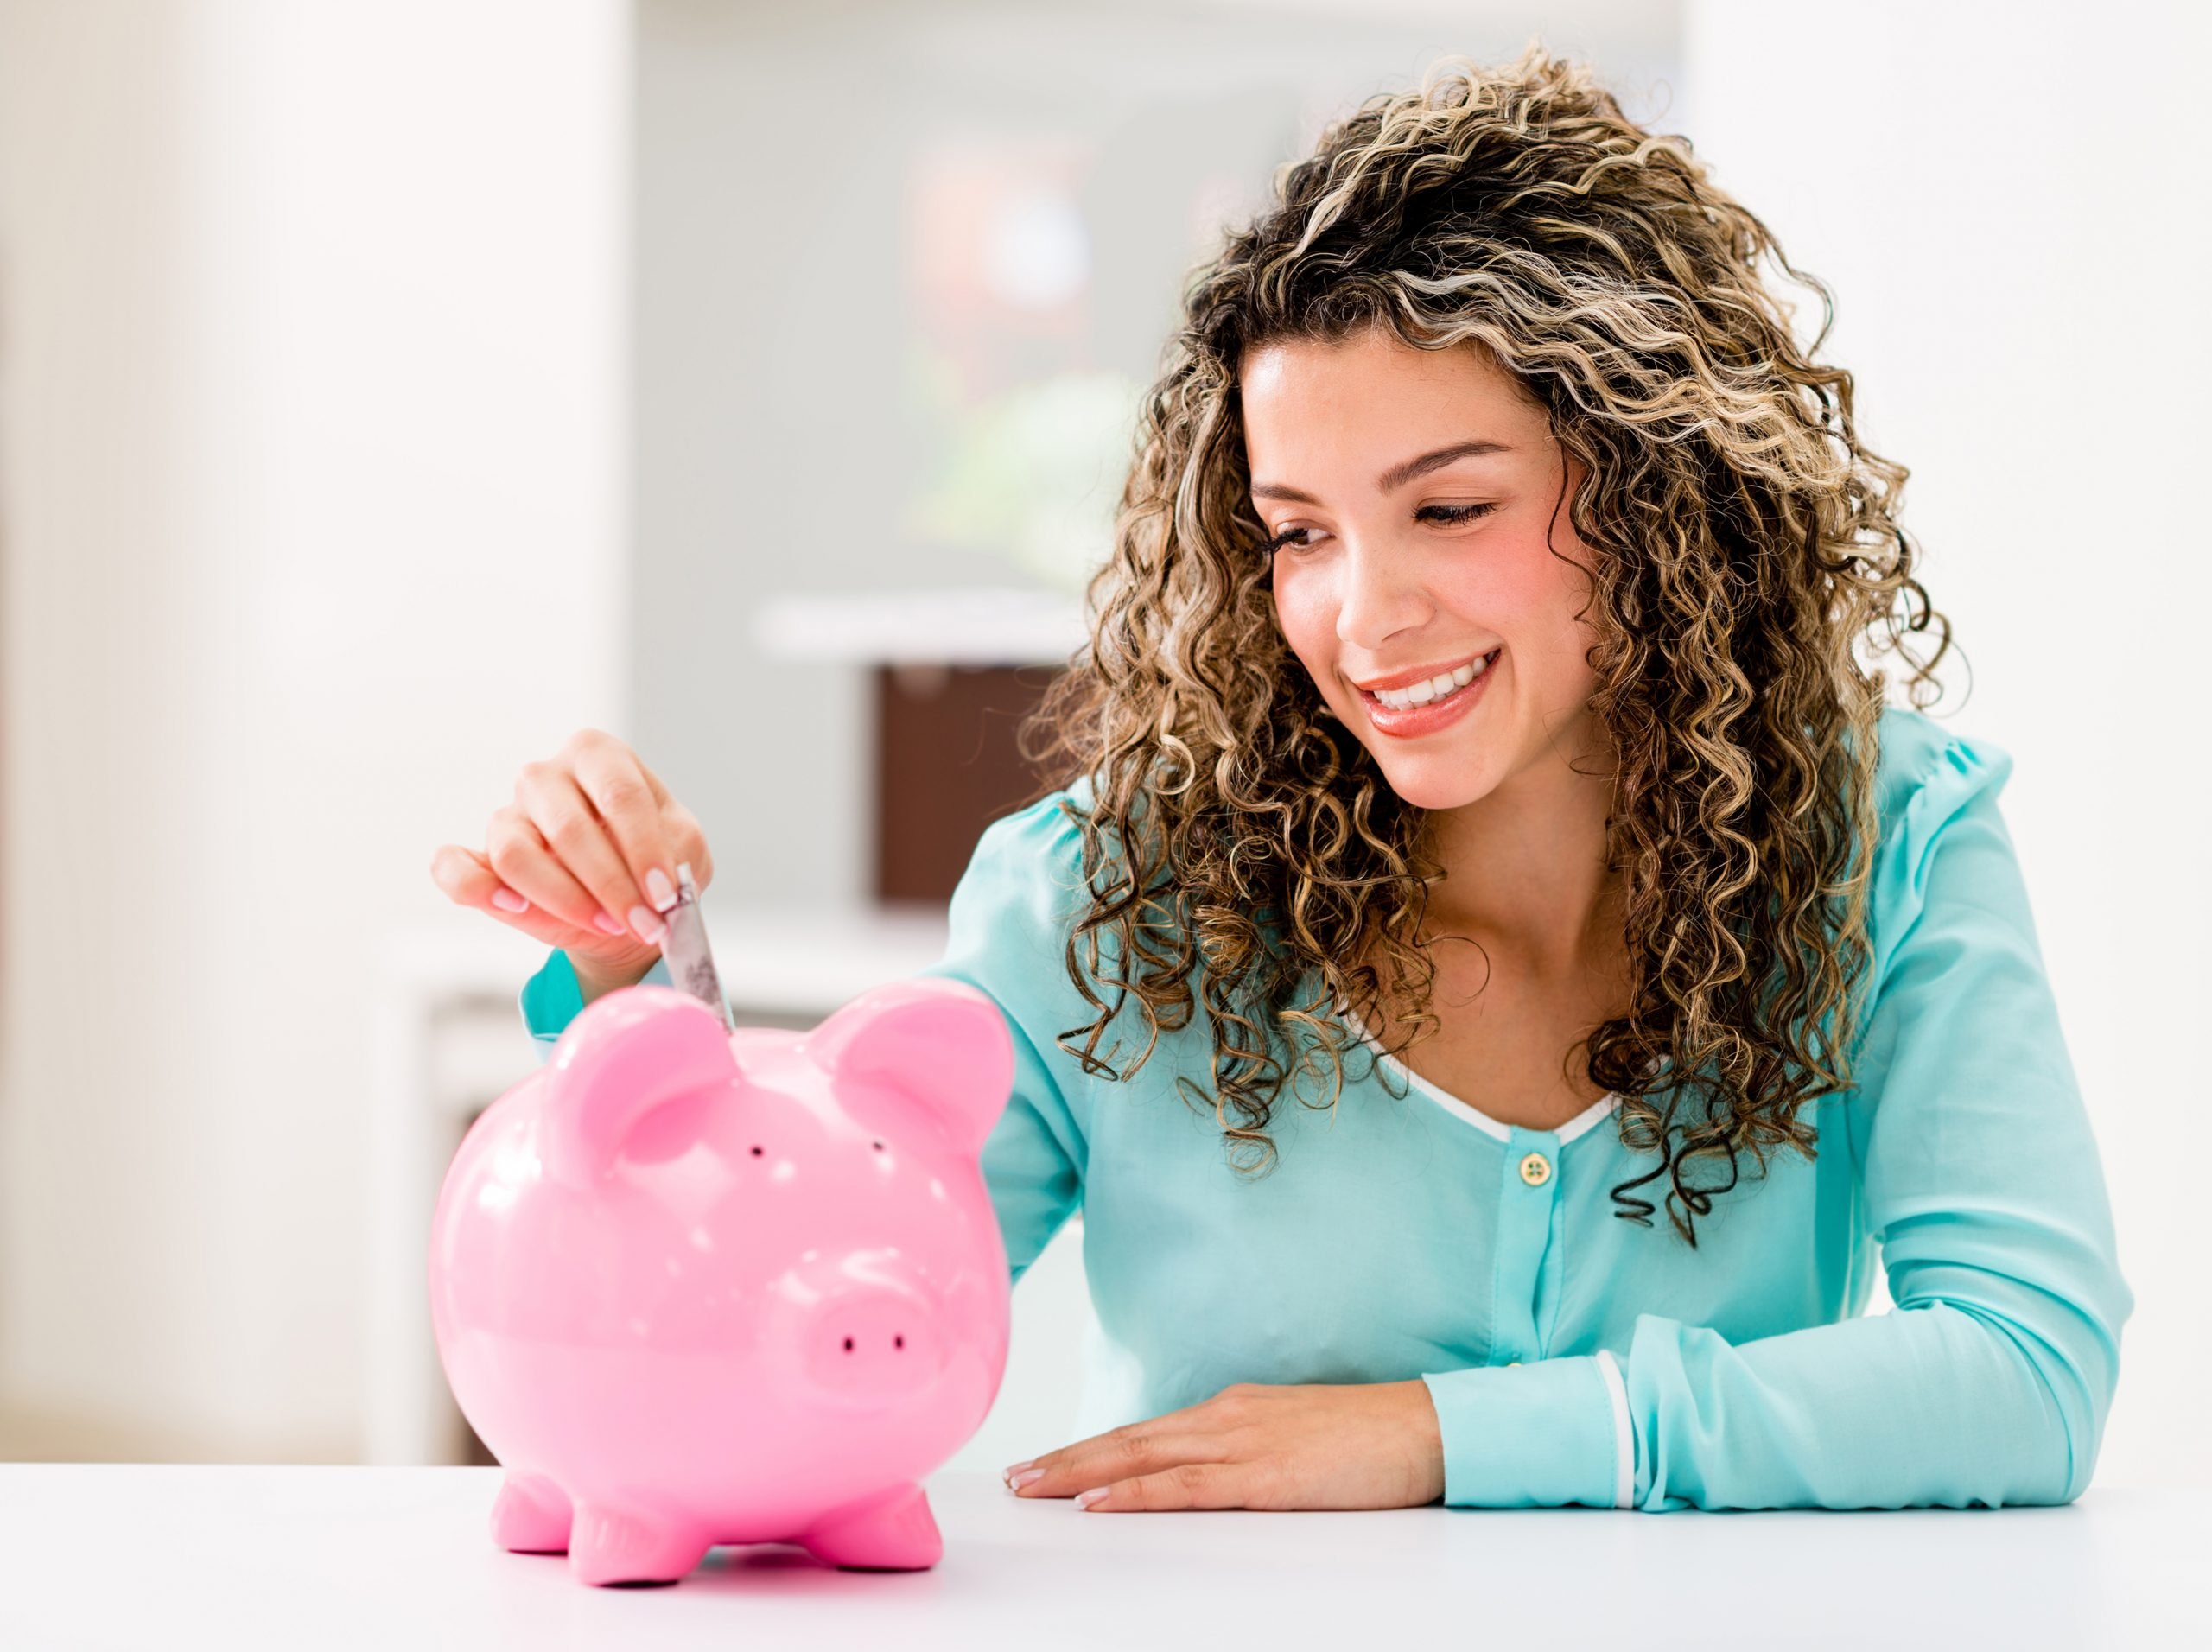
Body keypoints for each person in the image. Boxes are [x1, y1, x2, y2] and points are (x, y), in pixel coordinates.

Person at [429, 46, 2129, 1515]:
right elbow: (798, 1283)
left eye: (1447, 506)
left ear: (1654, 496)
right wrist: (642, 988)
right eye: (1297, 533)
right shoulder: (1105, 893)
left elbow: (2024, 1367)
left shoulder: (1887, 836)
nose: (1361, 617)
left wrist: (1426, 1438)